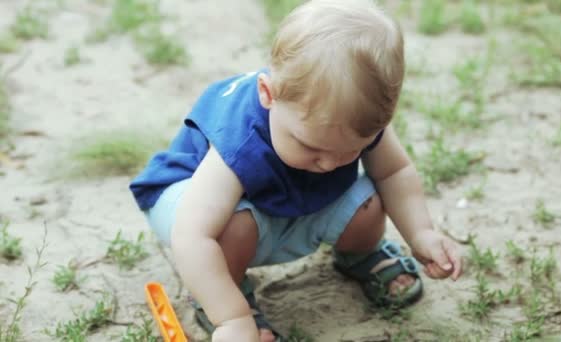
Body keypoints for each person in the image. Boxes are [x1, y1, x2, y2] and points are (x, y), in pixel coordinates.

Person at [130, 0, 464, 341]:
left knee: (369, 203)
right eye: (311, 146)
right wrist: (231, 319)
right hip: (190, 203)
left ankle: (359, 255)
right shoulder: (238, 140)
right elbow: (192, 236)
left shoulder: (354, 118)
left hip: (280, 193)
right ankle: (224, 293)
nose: (330, 163)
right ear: (267, 94)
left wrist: (421, 232)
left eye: (349, 150)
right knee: (233, 227)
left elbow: (394, 173)